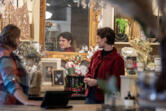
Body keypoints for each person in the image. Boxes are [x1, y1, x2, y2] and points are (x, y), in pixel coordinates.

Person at [0, 24, 41, 106]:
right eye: (18, 38)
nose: (19, 41)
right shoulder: (5, 55)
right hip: (8, 103)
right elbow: (10, 81)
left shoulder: (6, 53)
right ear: (14, 39)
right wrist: (25, 101)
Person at [84, 27, 124, 104]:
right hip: (90, 97)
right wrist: (88, 78)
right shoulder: (96, 55)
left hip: (105, 99)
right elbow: (89, 71)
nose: (96, 41)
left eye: (98, 38)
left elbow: (117, 84)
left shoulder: (117, 59)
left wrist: (97, 82)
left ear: (104, 39)